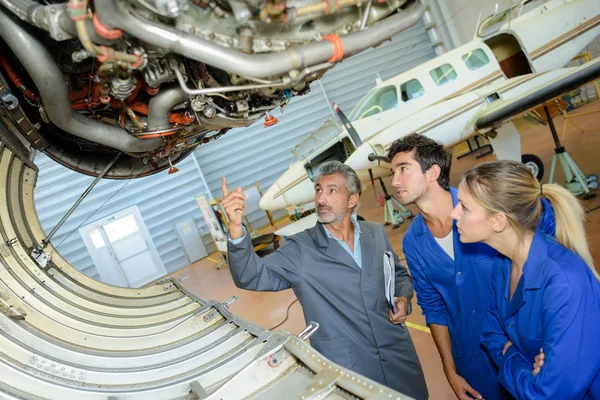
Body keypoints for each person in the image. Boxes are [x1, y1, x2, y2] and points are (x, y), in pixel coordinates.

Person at [222, 161, 428, 399]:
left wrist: (403, 297)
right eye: (318, 190)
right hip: (350, 367)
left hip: (397, 355)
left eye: (332, 191)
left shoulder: (374, 232)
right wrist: (236, 229)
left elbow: (399, 274)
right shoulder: (301, 250)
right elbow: (250, 275)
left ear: (352, 199)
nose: (321, 199)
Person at [387, 134, 555, 400]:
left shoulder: (484, 206)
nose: (395, 181)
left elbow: (539, 251)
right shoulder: (412, 243)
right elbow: (433, 307)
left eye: (404, 169)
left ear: (432, 172)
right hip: (473, 362)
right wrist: (450, 371)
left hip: (523, 349)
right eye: (392, 172)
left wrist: (550, 336)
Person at [452, 160, 600, 399]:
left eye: (464, 207)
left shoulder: (563, 283)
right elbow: (491, 332)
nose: (454, 213)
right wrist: (528, 362)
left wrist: (511, 354)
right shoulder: (504, 264)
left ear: (498, 221)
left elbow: (548, 394)